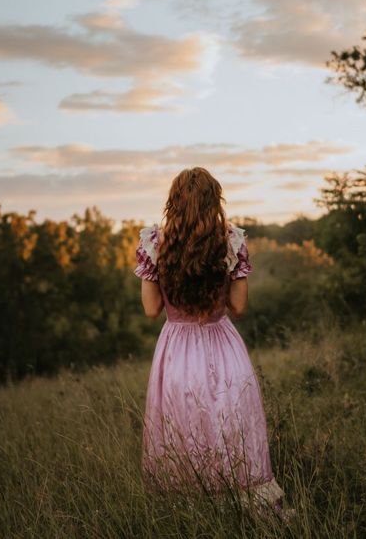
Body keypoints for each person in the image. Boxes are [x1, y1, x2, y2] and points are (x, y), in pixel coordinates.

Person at [133, 166, 295, 522]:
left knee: (183, 425)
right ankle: (246, 511)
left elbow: (150, 309)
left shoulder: (155, 244)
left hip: (176, 350)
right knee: (230, 422)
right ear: (214, 201)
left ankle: (190, 515)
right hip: (222, 345)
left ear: (173, 202)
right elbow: (238, 307)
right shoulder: (231, 240)